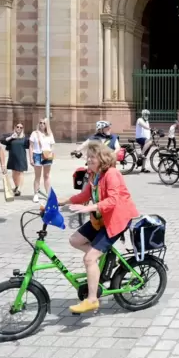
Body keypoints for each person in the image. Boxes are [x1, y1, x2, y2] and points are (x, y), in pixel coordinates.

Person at [60, 141, 140, 314]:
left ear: (102, 158)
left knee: (89, 259)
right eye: (88, 157)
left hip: (116, 220)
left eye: (92, 157)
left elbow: (113, 200)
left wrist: (89, 208)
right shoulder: (94, 176)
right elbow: (84, 195)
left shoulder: (112, 174)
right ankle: (103, 256)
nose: (88, 160)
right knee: (75, 240)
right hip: (102, 219)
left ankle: (92, 299)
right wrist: (63, 201)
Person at [29, 118, 55, 203]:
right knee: (37, 176)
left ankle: (48, 194)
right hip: (37, 154)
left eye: (44, 123)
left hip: (47, 155)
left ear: (46, 125)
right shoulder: (34, 133)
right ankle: (36, 194)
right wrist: (31, 158)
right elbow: (31, 146)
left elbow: (52, 146)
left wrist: (52, 155)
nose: (42, 124)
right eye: (40, 123)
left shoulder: (50, 134)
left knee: (46, 175)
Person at [3, 122, 30, 197]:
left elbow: (30, 146)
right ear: (15, 127)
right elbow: (3, 141)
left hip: (21, 157)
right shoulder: (11, 137)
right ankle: (16, 186)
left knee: (20, 173)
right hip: (12, 157)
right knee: (14, 173)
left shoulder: (25, 138)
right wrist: (11, 137)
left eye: (21, 127)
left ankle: (19, 189)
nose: (19, 128)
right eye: (17, 127)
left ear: (23, 129)